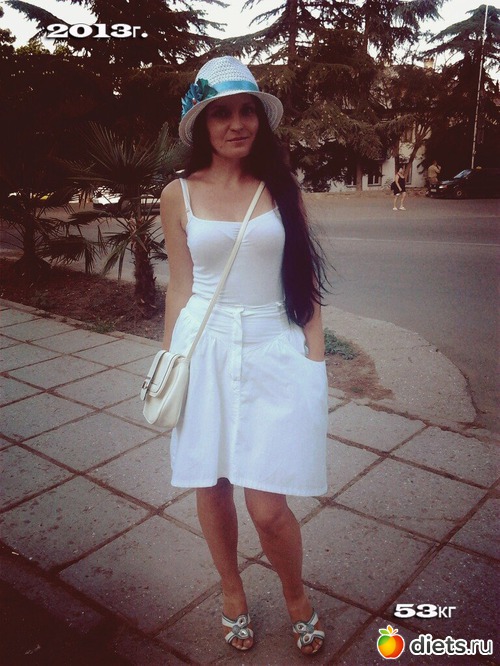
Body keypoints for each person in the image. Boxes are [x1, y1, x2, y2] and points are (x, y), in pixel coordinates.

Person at [160, 56, 328, 655]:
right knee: (212, 485)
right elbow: (180, 286)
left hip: (271, 347)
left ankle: (295, 595)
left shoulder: (281, 189)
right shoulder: (178, 194)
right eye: (221, 113)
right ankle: (231, 591)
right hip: (203, 349)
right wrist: (169, 363)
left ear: (260, 118)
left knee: (268, 506)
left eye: (247, 110)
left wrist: (314, 362)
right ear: (201, 124)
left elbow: (304, 283)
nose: (237, 123)